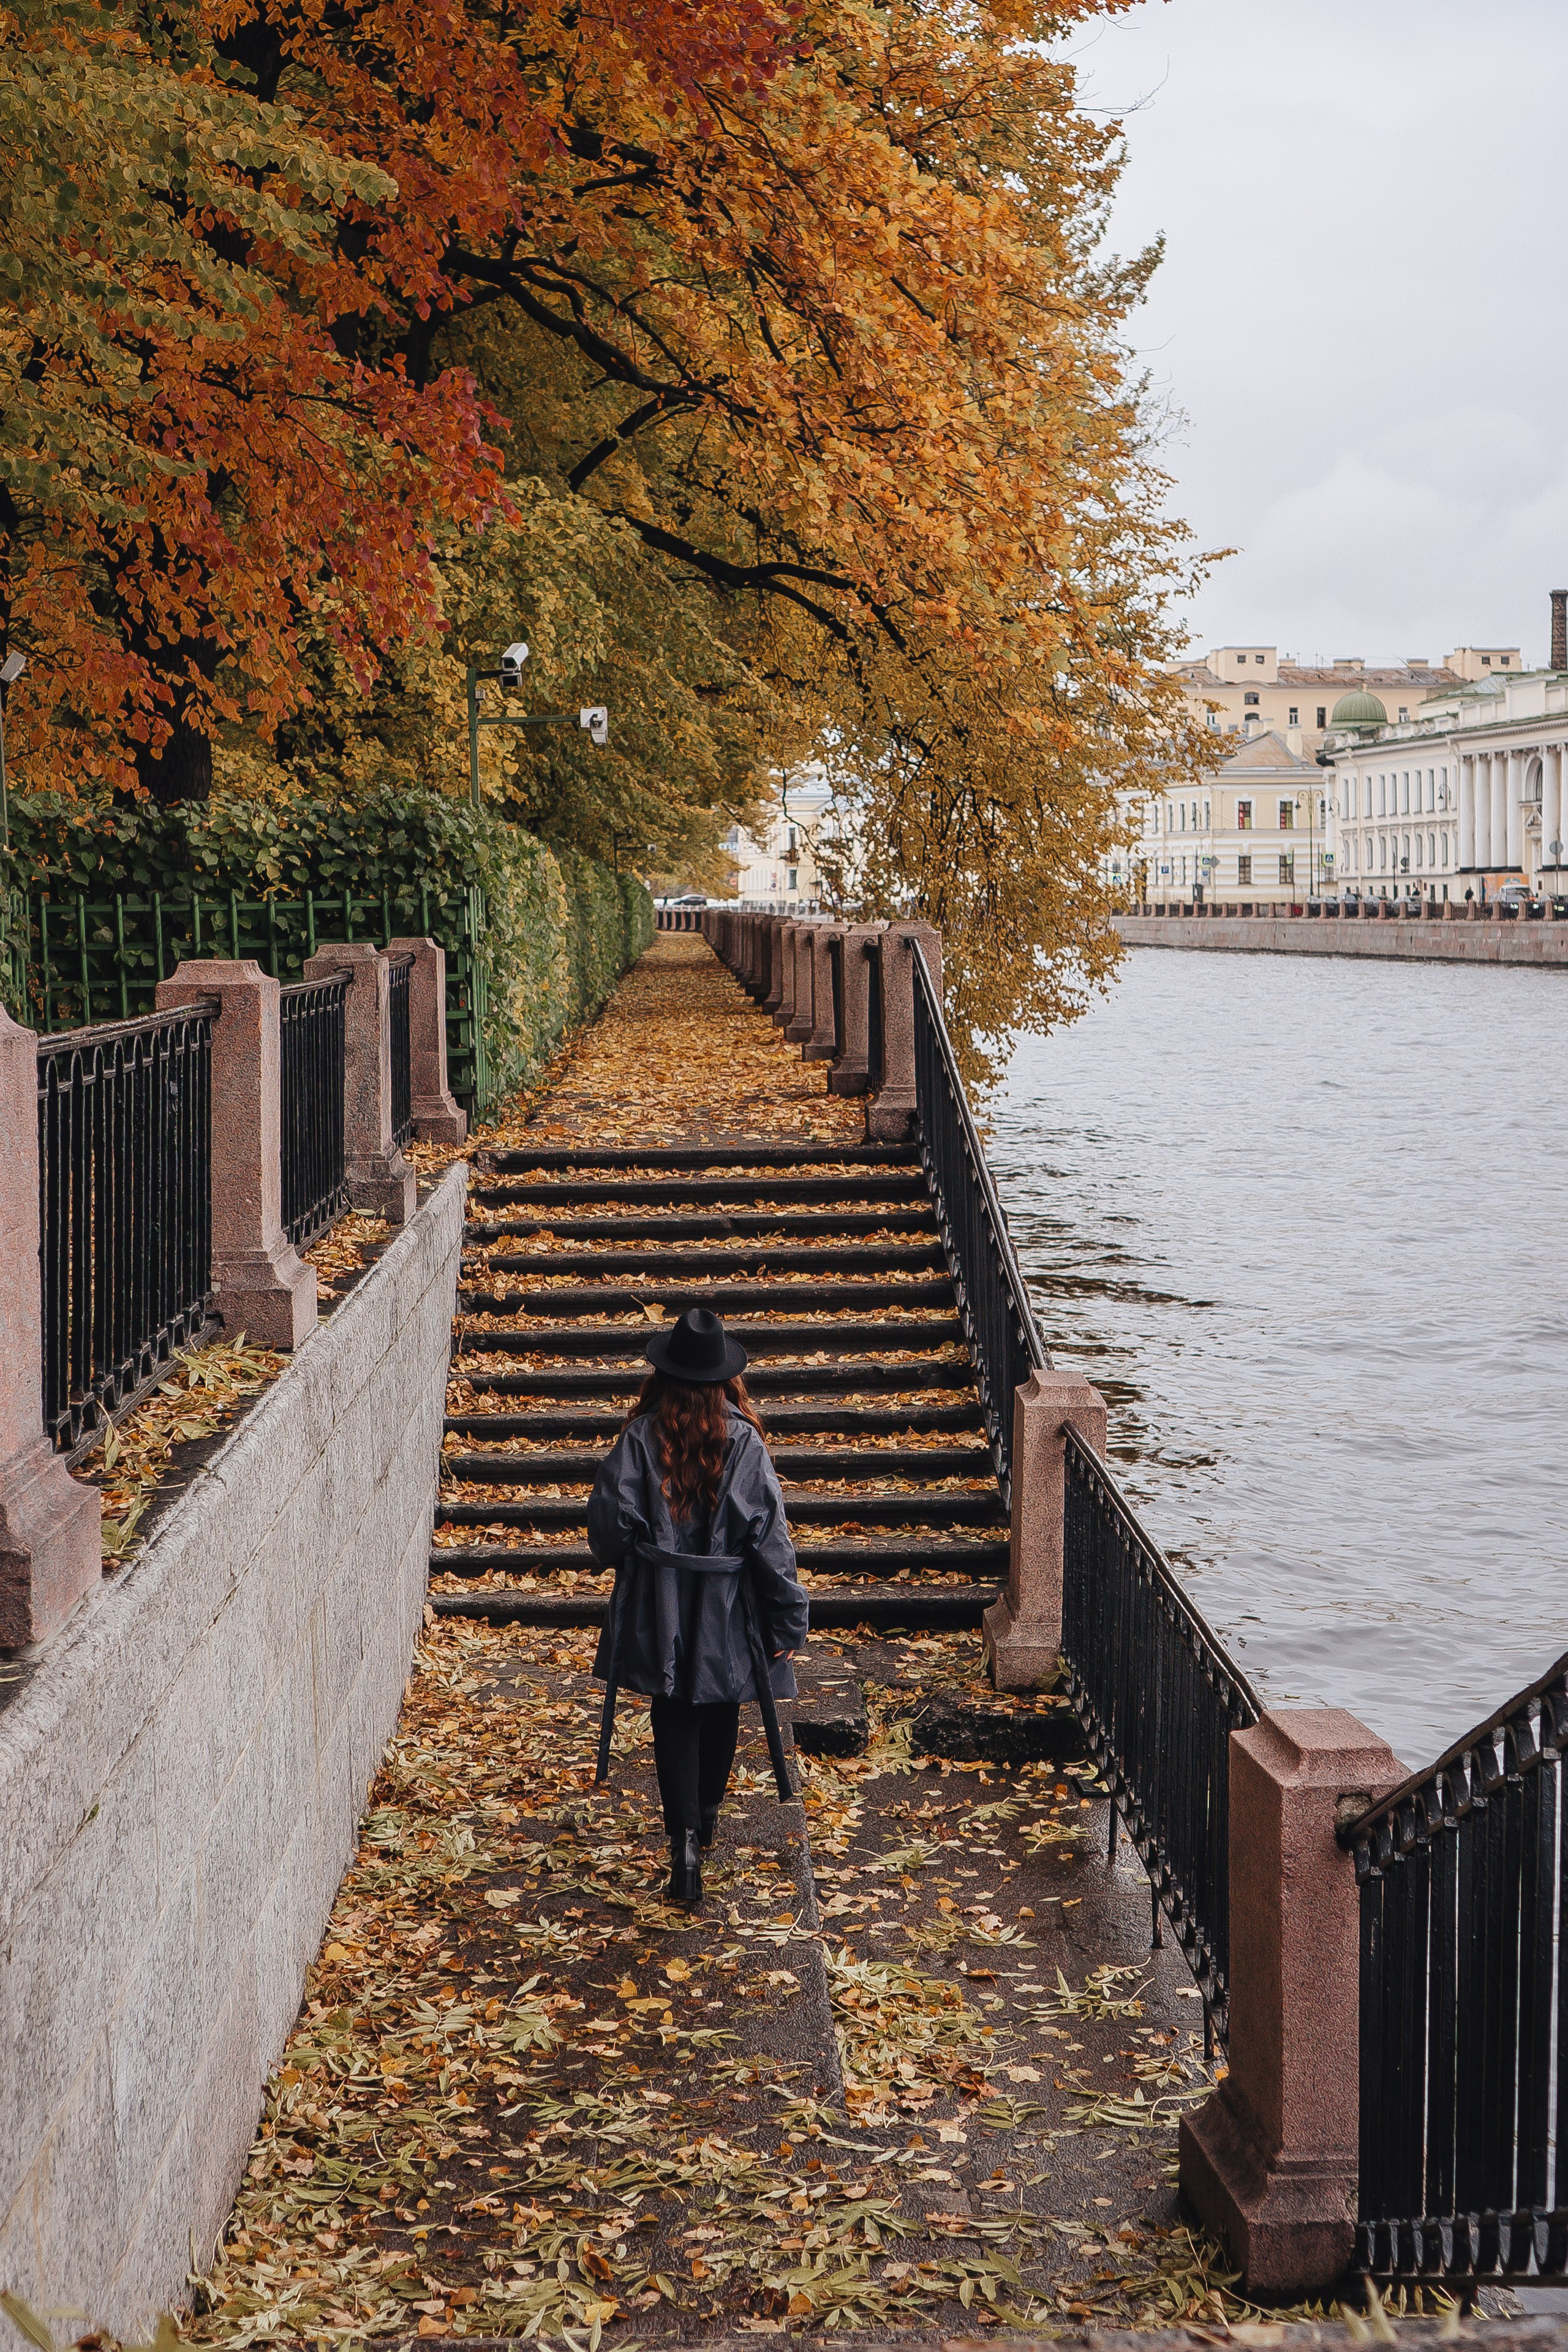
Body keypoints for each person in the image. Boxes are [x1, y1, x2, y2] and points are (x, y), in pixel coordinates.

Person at [587, 1307, 809, 1909]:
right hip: (728, 1606)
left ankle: (683, 1842)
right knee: (719, 1705)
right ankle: (705, 1818)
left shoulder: (639, 1437)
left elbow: (607, 1529)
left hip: (660, 1605)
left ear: (664, 1375)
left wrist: (640, 1550)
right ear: (722, 1380)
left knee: (674, 1709)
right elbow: (770, 1541)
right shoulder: (744, 1442)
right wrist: (788, 1616)